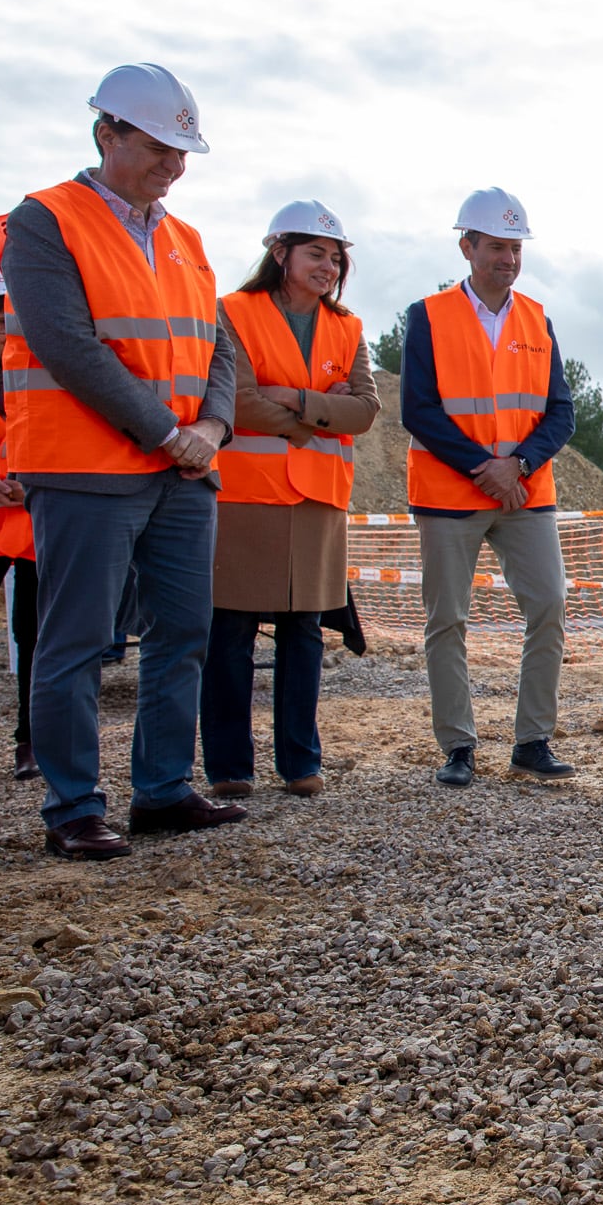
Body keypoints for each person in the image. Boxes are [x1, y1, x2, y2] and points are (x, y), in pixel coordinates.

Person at [0, 62, 244, 860]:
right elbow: (69, 347)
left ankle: (163, 790)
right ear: (107, 134)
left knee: (182, 631)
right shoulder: (43, 221)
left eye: (182, 154)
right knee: (74, 640)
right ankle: (73, 804)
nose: (173, 168)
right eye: (159, 149)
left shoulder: (186, 239)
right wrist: (169, 434)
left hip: (184, 472)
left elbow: (221, 349)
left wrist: (211, 424)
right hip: (87, 469)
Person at [201, 201, 379, 798]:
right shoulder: (231, 312)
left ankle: (300, 763)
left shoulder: (348, 327)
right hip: (247, 495)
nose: (328, 267)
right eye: (316, 254)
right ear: (280, 254)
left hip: (318, 503)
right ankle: (229, 767)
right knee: (230, 631)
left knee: (304, 632)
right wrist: (315, 414)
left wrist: (295, 400)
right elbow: (236, 397)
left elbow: (366, 411)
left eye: (335, 258)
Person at [401, 188, 575, 787]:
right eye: (497, 246)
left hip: (525, 493)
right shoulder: (426, 316)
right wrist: (487, 467)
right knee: (447, 619)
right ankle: (458, 746)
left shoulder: (537, 318)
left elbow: (561, 413)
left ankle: (532, 741)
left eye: (516, 247)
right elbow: (419, 410)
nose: (508, 258)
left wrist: (518, 466)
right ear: (467, 246)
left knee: (549, 604)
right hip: (451, 493)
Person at [0, 228, 41, 781]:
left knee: (33, 635)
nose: (4, 331)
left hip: (33, 523)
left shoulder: (40, 366)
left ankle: (30, 740)